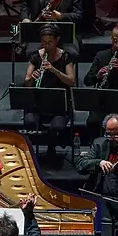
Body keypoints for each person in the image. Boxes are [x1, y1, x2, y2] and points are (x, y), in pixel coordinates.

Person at [24, 24, 76, 159]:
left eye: (50, 42)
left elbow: (71, 81)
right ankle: (41, 146)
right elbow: (27, 82)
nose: (47, 46)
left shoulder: (66, 57)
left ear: (57, 40)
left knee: (57, 125)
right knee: (29, 121)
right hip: (38, 104)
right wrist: (32, 77)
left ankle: (51, 147)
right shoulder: (36, 56)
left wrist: (54, 70)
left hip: (60, 106)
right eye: (44, 42)